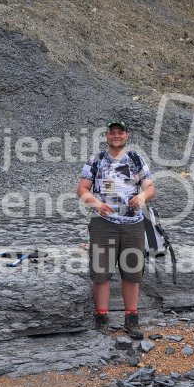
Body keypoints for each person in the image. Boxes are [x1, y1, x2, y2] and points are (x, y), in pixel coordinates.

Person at [77, 120, 155, 339]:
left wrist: (142, 196)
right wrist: (97, 204)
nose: (116, 136)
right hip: (103, 224)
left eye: (120, 132)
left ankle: (132, 320)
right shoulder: (96, 159)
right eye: (112, 133)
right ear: (106, 135)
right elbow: (82, 189)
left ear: (127, 136)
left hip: (134, 224)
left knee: (132, 273)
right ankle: (101, 318)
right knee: (101, 273)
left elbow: (150, 187)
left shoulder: (136, 159)